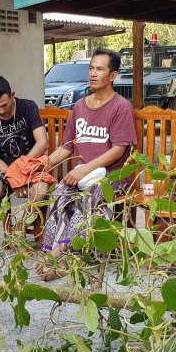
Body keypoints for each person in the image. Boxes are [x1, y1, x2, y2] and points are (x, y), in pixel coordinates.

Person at [37, 49, 136, 280]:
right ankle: (54, 255)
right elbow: (68, 146)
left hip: (112, 176)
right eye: (91, 68)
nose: (93, 73)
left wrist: (85, 168)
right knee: (58, 194)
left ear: (113, 75)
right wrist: (42, 164)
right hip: (81, 175)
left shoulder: (121, 107)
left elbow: (118, 150)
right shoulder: (80, 106)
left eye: (100, 69)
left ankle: (59, 254)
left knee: (90, 198)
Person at [0, 76, 50, 266]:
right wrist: (13, 176)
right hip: (2, 167)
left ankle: (19, 230)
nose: (1, 111)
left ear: (13, 95)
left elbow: (42, 143)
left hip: (29, 163)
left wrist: (21, 172)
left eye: (4, 105)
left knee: (41, 191)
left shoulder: (28, 107)